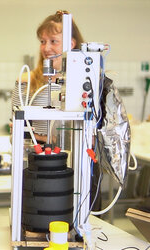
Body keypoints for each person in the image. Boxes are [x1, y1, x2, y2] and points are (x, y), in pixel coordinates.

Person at [13, 10, 101, 211]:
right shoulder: (27, 82)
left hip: (79, 172)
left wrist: (43, 136)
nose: (46, 48)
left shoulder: (87, 84)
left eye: (53, 41)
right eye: (42, 41)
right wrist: (46, 137)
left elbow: (92, 136)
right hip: (40, 171)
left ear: (71, 44)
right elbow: (17, 133)